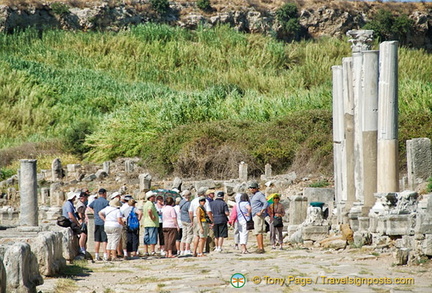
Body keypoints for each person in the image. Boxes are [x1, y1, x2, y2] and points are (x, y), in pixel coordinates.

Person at [189, 187, 213, 257]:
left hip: (194, 218)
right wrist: (211, 221)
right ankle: (200, 252)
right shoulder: (205, 201)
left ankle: (194, 251)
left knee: (196, 236)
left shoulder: (193, 201)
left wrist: (191, 220)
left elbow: (190, 212)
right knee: (202, 237)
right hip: (201, 219)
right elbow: (208, 212)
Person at [88, 188, 109, 261]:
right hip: (103, 222)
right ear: (104, 193)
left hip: (96, 222)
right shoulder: (106, 202)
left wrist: (94, 213)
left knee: (97, 239)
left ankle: (96, 255)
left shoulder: (95, 201)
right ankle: (105, 255)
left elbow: (89, 207)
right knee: (104, 240)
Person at [249, 181, 268, 254]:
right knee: (256, 231)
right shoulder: (253, 196)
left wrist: (261, 211)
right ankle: (259, 246)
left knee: (259, 231)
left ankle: (261, 247)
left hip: (258, 215)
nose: (251, 189)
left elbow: (265, 203)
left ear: (256, 188)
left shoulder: (259, 195)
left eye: (253, 188)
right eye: (251, 188)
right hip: (254, 215)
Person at [143, 191, 159, 256]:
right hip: (152, 223)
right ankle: (152, 250)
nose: (155, 198)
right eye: (154, 196)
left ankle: (146, 251)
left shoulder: (146, 204)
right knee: (152, 237)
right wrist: (152, 217)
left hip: (146, 222)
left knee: (146, 237)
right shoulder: (150, 204)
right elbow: (149, 210)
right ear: (151, 197)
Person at [179, 190, 193, 256]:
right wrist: (191, 220)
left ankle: (182, 250)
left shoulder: (181, 202)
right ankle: (187, 249)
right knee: (189, 235)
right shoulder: (188, 203)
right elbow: (190, 212)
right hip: (187, 219)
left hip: (182, 219)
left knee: (184, 235)